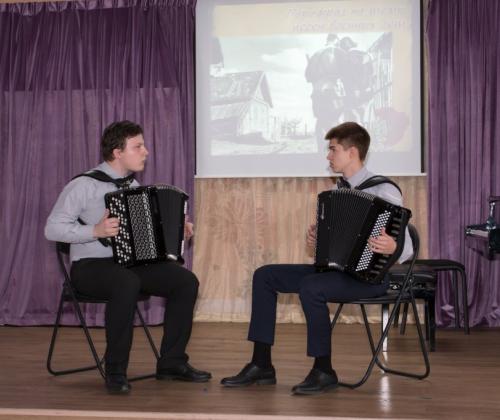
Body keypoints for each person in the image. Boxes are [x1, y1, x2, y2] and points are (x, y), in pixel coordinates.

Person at [220, 121, 412, 395]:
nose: (328, 156)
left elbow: (406, 248)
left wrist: (392, 245)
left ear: (352, 152)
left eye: (333, 149)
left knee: (312, 287)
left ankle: (324, 371)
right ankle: (261, 364)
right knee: (265, 275)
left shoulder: (385, 191)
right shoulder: (338, 191)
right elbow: (334, 244)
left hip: (370, 278)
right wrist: (318, 241)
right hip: (336, 274)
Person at [45, 120, 211, 394]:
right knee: (126, 282)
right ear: (117, 152)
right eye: (138, 146)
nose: (146, 151)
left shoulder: (132, 184)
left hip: (127, 265)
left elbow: (142, 236)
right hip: (89, 268)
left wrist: (177, 230)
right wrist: (95, 230)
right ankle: (115, 370)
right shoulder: (83, 185)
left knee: (185, 282)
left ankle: (172, 363)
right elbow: (52, 228)